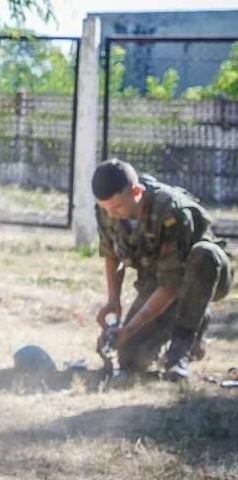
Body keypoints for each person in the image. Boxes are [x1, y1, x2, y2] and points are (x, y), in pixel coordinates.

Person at [92, 159, 233, 380]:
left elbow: (172, 286)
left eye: (117, 207)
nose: (111, 215)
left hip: (204, 277)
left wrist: (128, 329)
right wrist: (113, 301)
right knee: (130, 358)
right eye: (106, 209)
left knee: (204, 253)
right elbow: (111, 253)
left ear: (136, 191)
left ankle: (182, 348)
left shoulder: (170, 211)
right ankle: (180, 324)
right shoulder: (109, 210)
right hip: (158, 278)